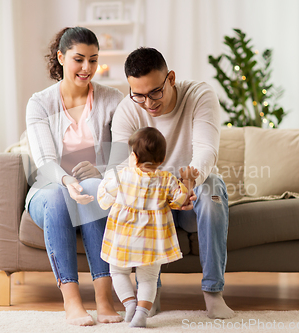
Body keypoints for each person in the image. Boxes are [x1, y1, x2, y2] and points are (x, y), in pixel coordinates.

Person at [108, 47, 235, 320]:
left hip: (189, 199)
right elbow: (119, 167)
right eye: (139, 95)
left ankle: (213, 293)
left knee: (212, 189)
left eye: (155, 92)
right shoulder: (128, 110)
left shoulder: (199, 94)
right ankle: (148, 294)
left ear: (171, 78)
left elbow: (206, 150)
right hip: (150, 206)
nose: (148, 103)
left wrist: (189, 184)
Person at [25, 27, 124, 326]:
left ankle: (104, 300)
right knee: (57, 193)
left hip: (94, 190)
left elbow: (122, 157)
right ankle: (72, 302)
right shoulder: (40, 103)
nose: (87, 68)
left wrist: (102, 172)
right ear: (61, 57)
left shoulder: (112, 99)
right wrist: (67, 181)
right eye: (78, 59)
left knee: (95, 187)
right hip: (50, 192)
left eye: (93, 60)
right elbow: (44, 162)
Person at [98, 127, 196, 328]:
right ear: (163, 158)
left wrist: (105, 181)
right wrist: (186, 182)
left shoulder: (121, 176)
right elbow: (180, 200)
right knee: (149, 278)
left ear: (133, 157)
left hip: (123, 239)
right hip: (152, 242)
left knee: (117, 272)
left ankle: (130, 304)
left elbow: (104, 199)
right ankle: (142, 312)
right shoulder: (167, 179)